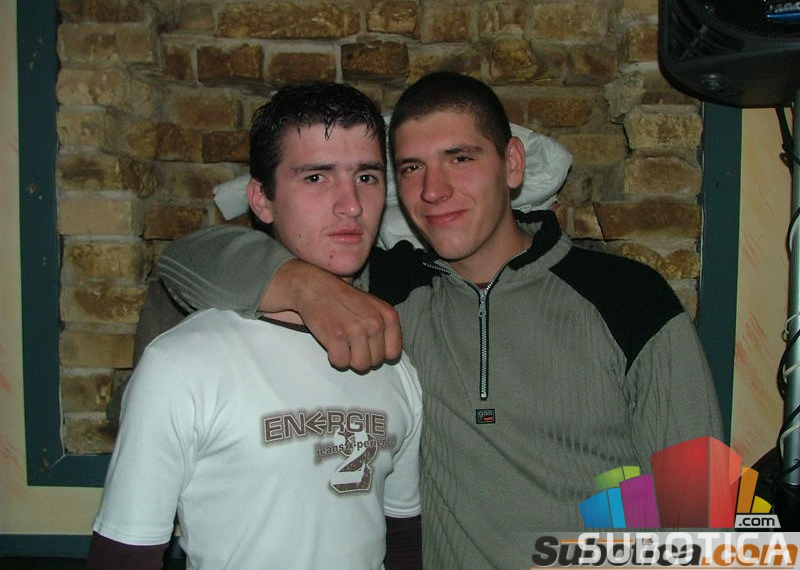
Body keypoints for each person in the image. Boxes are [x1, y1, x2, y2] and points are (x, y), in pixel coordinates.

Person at [158, 72, 724, 569]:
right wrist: (307, 288)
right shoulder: (388, 291)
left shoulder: (628, 298)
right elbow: (184, 261)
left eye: (460, 158)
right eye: (411, 168)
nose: (434, 190)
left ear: (512, 165)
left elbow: (703, 513)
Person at [86, 83, 423, 570]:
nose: (351, 204)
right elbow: (123, 555)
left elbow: (403, 539)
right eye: (316, 177)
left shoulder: (392, 357)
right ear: (262, 201)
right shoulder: (182, 364)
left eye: (366, 176)